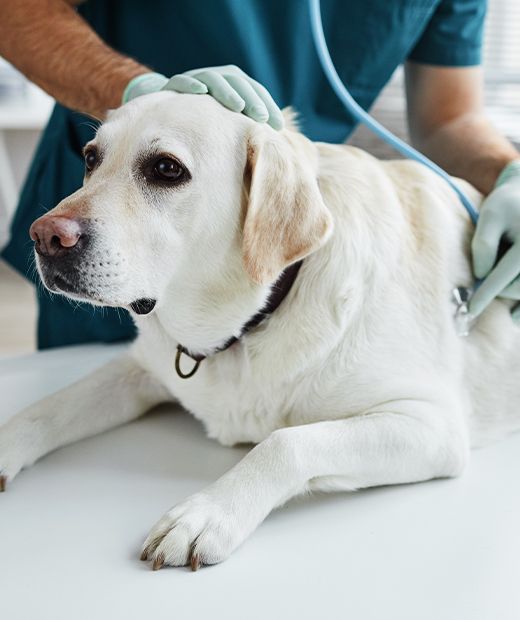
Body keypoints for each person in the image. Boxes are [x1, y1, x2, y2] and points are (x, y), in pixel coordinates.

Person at [0, 0, 518, 349]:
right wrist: (142, 93)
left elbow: (451, 119)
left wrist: (509, 173)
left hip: (275, 247)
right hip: (119, 224)